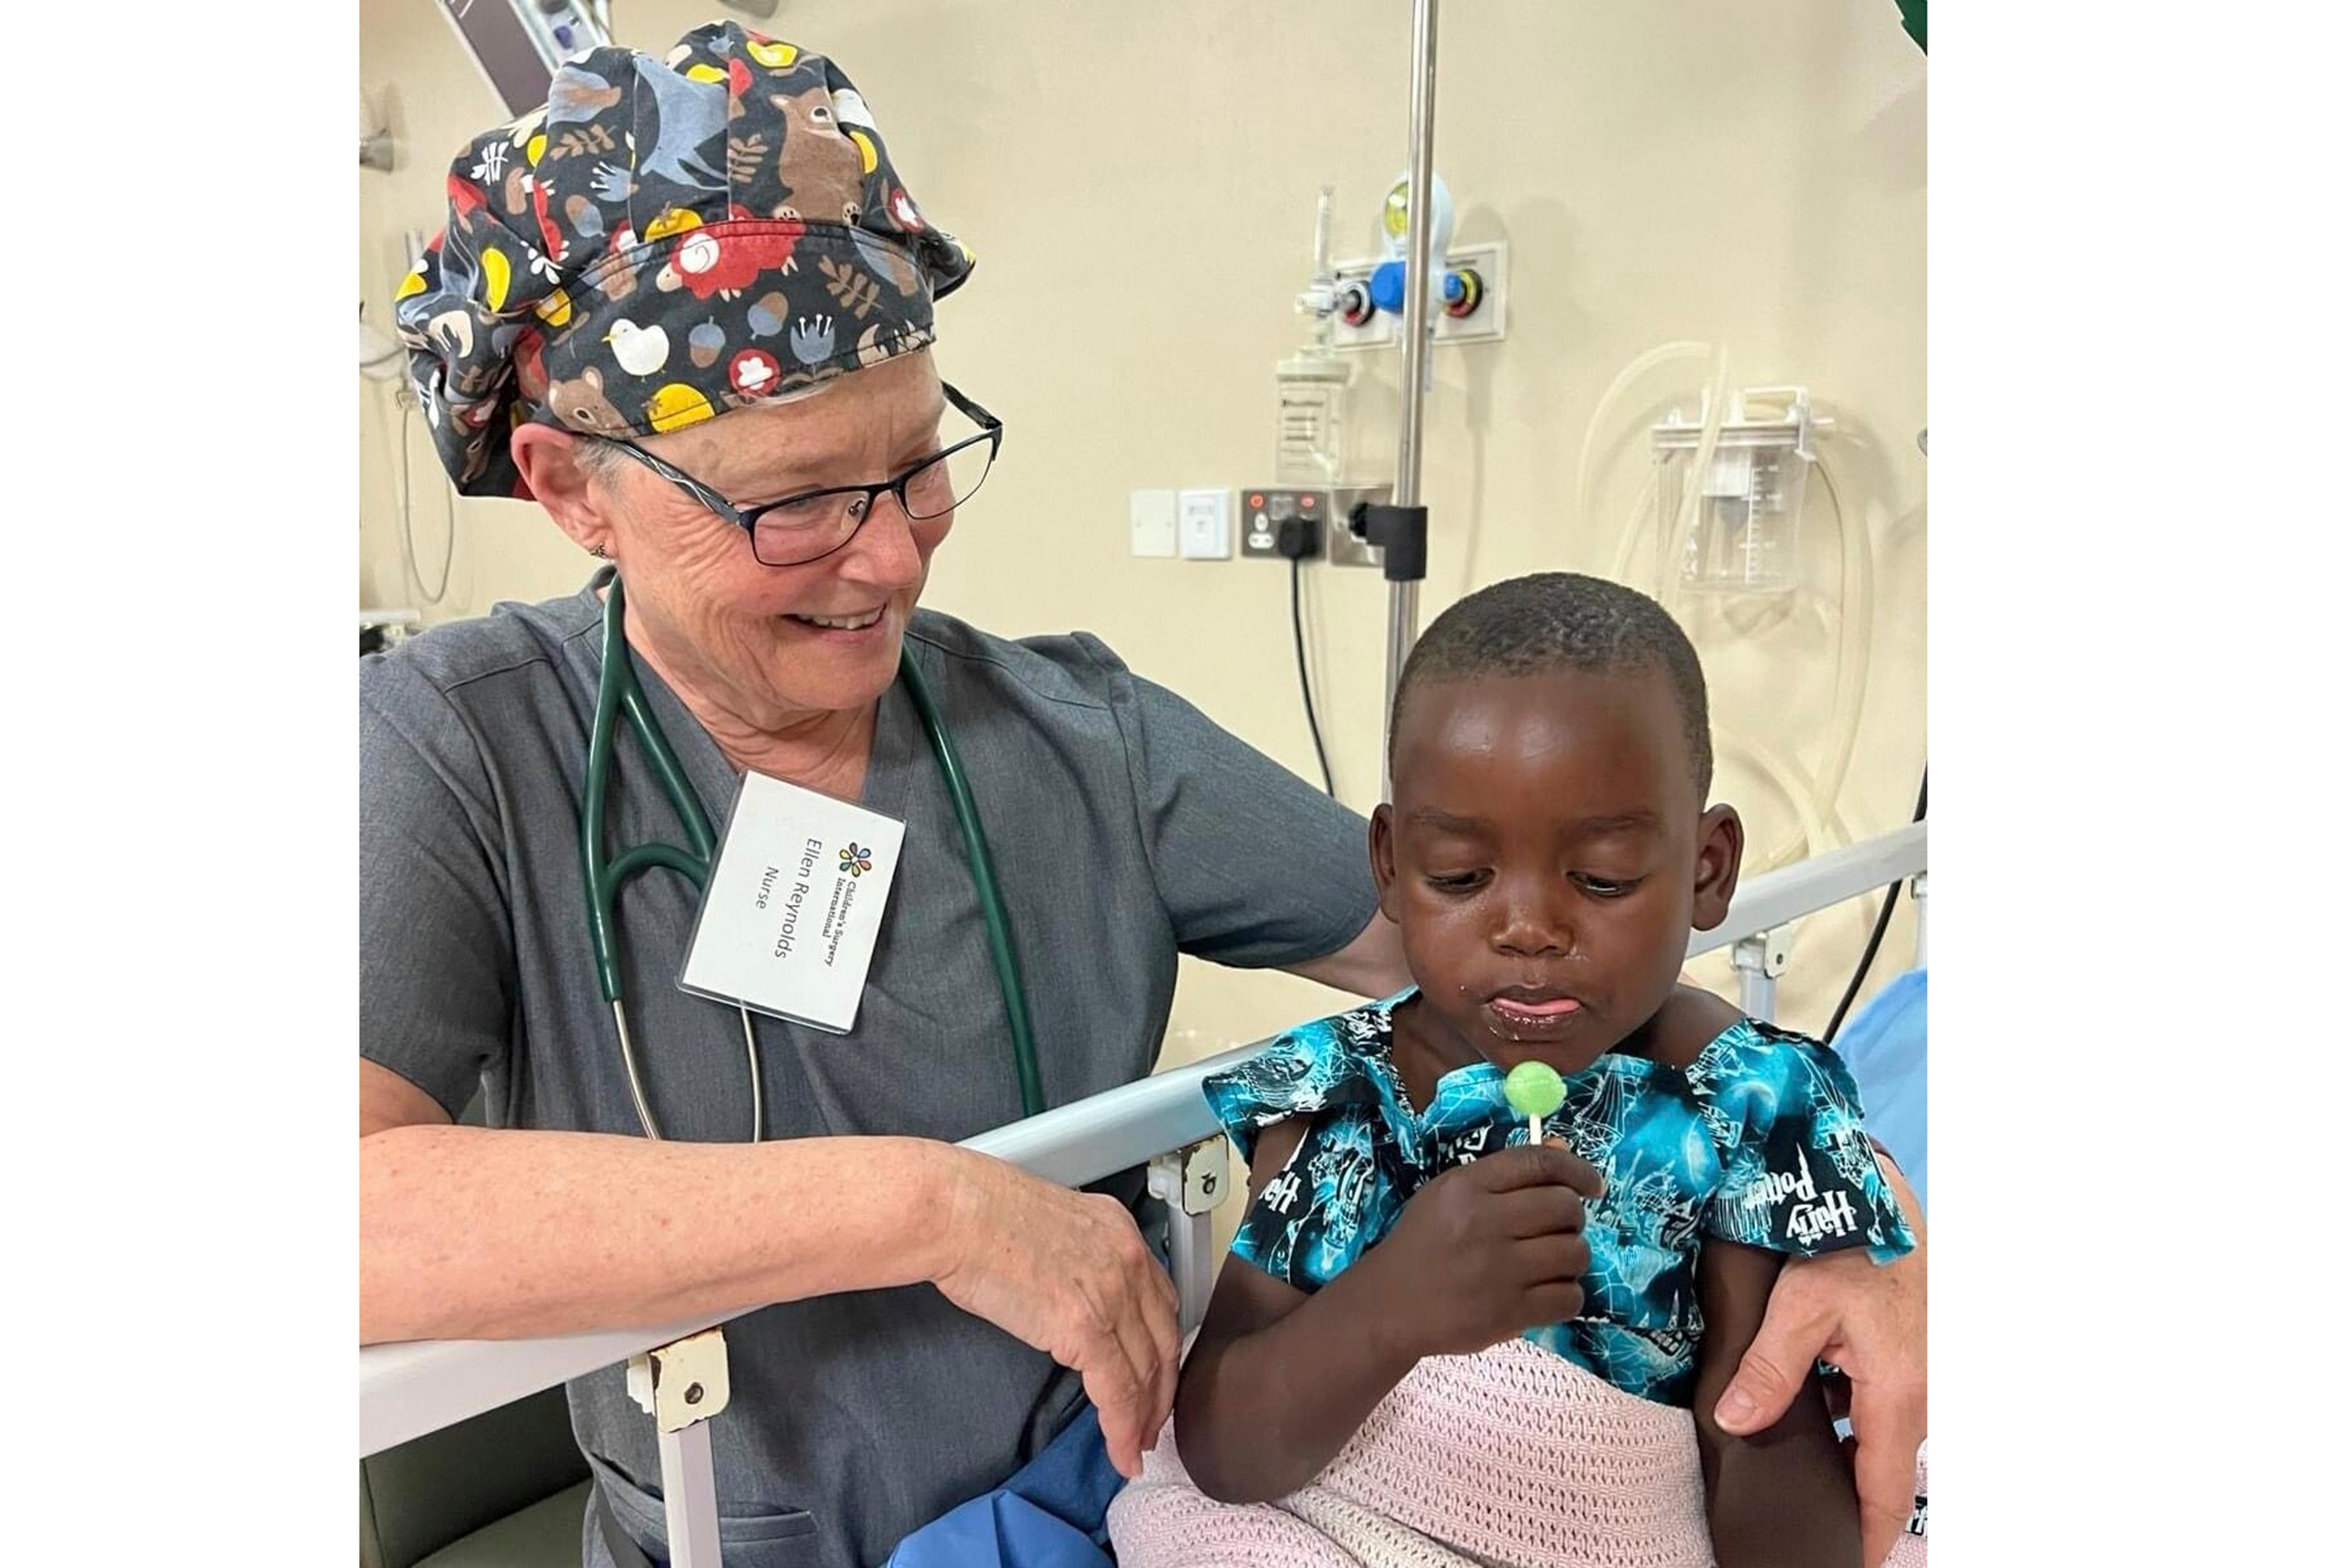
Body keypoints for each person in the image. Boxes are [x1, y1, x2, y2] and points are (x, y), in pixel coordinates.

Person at [361, 20, 1926, 1567]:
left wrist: (1811, 1166)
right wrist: (931, 1207)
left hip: (1099, 1513)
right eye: (800, 504)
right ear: (572, 486)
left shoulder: (1074, 734)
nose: (898, 553)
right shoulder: (461, 749)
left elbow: (1498, 956)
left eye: (918, 467)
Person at [1109, 574, 1928, 1568]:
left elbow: (1780, 1514)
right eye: (1460, 876)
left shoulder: (1746, 1109)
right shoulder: (1348, 1100)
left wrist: (1755, 1352)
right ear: (1391, 866)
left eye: (1604, 877)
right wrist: (1390, 1308)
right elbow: (1225, 1448)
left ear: (1708, 869)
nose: (1529, 927)